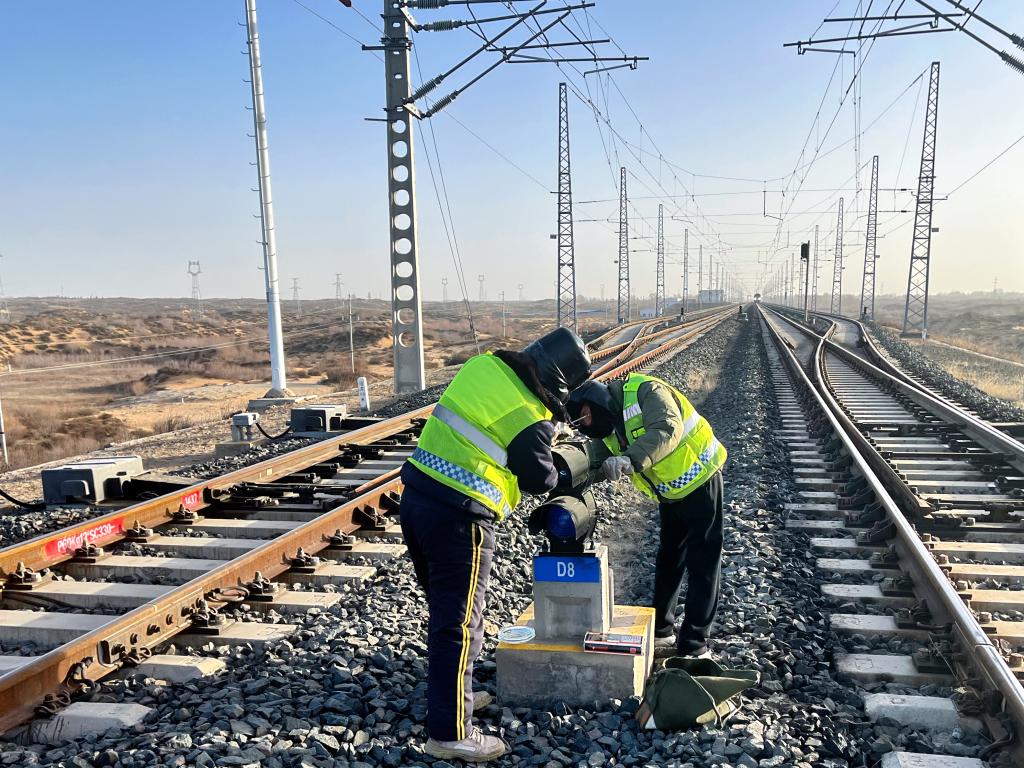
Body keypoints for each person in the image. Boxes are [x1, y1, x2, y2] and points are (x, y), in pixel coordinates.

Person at [399, 327, 591, 762]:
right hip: (460, 518)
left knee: (447, 614)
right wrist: (553, 441)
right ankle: (451, 733)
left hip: (416, 499)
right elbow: (541, 479)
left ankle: (458, 696)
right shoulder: (530, 416)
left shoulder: (483, 365)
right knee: (459, 624)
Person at [566, 374, 727, 657]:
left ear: (595, 403)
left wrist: (630, 458)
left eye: (586, 417)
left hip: (701, 479)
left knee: (702, 563)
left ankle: (695, 644)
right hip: (671, 493)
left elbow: (667, 428)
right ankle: (662, 630)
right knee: (669, 559)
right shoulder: (612, 423)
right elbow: (598, 455)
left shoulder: (646, 391)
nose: (587, 424)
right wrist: (568, 469)